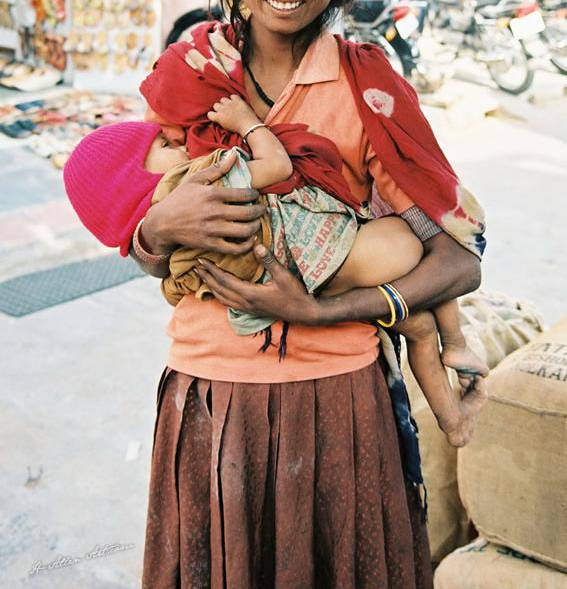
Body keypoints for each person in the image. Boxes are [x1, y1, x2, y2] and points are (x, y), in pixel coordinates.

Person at [127, 0, 487, 589]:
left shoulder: (368, 86)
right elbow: (141, 237)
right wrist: (157, 226)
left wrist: (323, 309)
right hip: (210, 397)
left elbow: (458, 255)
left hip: (337, 403)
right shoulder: (190, 70)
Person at [64, 102, 488, 430]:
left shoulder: (359, 80)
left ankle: (452, 412)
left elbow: (460, 264)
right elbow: (274, 167)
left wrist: (154, 230)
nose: (176, 142)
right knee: (417, 262)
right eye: (162, 145)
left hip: (325, 335)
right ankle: (453, 372)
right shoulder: (197, 149)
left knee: (417, 321)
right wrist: (154, 228)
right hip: (240, 353)